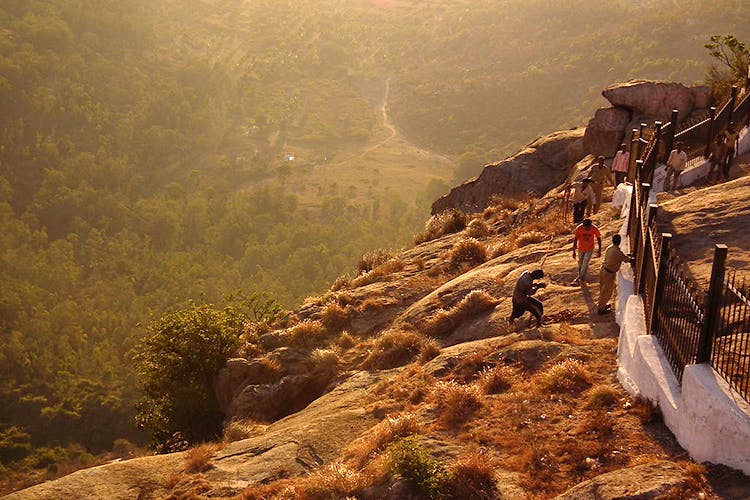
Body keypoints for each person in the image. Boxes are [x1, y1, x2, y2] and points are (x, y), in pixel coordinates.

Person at [597, 234, 633, 314]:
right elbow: (626, 259)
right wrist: (631, 258)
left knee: (603, 290)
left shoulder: (610, 248)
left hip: (603, 270)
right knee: (607, 291)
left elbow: (620, 256)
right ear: (619, 241)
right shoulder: (617, 252)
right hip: (609, 273)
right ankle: (601, 309)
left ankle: (602, 304)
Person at [572, 218, 601, 285]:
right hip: (581, 248)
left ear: (591, 226)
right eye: (585, 228)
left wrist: (599, 250)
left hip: (589, 249)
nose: (587, 229)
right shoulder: (579, 228)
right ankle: (581, 277)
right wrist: (573, 251)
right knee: (580, 263)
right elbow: (575, 239)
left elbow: (599, 238)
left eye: (588, 228)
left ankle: (580, 278)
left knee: (585, 263)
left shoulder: (594, 228)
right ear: (583, 225)